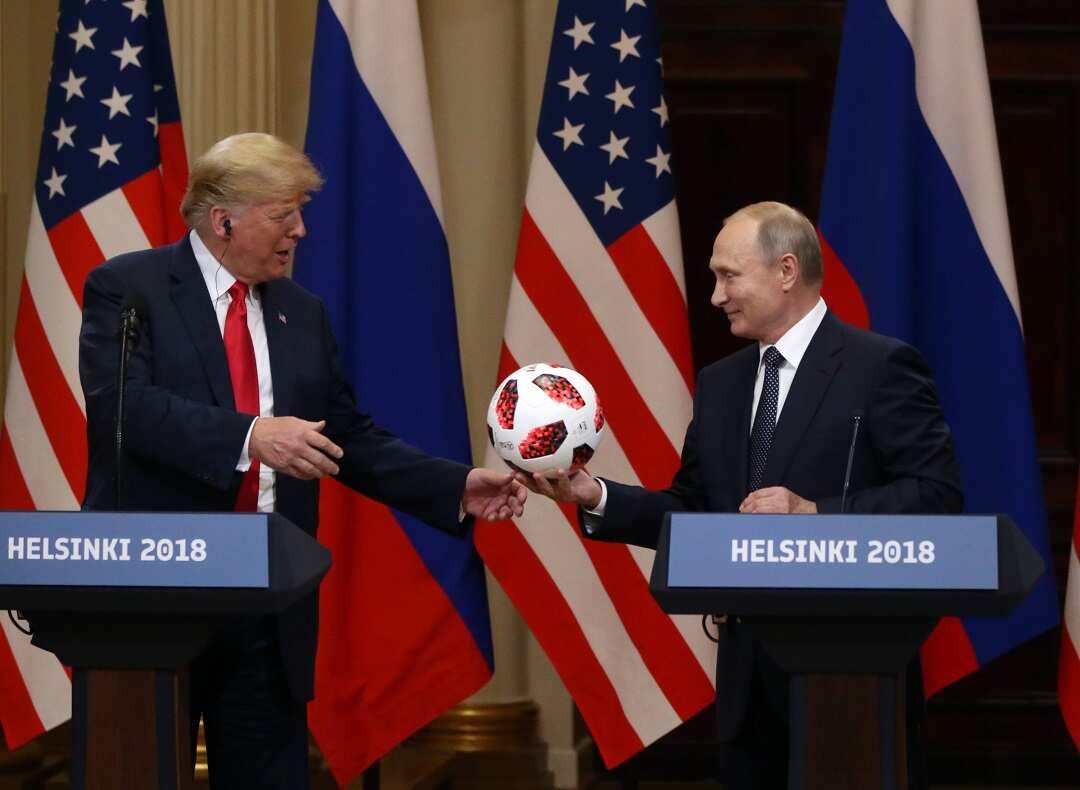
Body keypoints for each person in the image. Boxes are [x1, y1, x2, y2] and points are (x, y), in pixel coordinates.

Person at [78, 132, 526, 788]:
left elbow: (346, 438)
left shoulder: (301, 312)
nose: (302, 230)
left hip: (268, 600)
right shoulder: (129, 287)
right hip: (157, 594)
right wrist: (249, 436)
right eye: (284, 213)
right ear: (224, 219)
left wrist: (456, 485)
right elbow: (123, 407)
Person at [520, 201, 962, 788]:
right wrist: (594, 493)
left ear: (786, 271)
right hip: (746, 679)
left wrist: (814, 512)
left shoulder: (880, 367)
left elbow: (936, 495)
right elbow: (694, 511)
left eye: (729, 276)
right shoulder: (722, 383)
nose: (716, 295)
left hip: (853, 674)